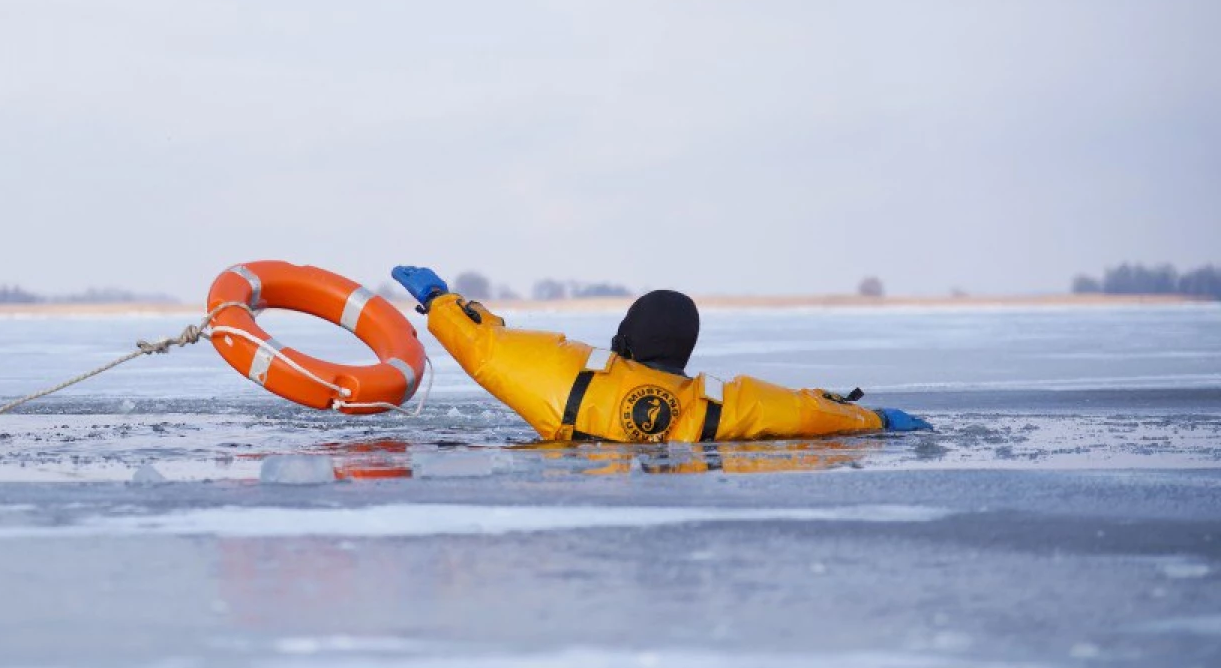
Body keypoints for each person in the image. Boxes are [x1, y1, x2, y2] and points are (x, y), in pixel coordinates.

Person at [390, 266, 931, 442]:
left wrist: (440, 300)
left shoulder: (566, 378)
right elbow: (809, 411)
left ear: (624, 340)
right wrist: (876, 418)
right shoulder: (723, 406)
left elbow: (486, 347)